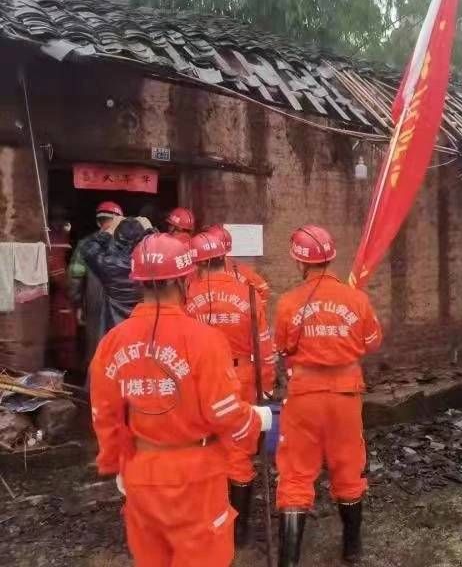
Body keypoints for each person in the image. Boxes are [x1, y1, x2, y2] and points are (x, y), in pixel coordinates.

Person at [89, 233, 273, 566]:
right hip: (196, 475)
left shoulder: (112, 343)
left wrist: (115, 462)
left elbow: (104, 413)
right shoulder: (204, 341)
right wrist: (258, 419)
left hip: (140, 472)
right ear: (184, 278)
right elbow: (223, 412)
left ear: (137, 282)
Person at [273, 225, 382, 566]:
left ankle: (289, 561)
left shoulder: (289, 303)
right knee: (349, 467)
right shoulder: (357, 299)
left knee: (294, 473)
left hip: (304, 395)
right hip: (346, 395)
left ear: (299, 262)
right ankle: (352, 550)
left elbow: (282, 346)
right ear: (331, 257)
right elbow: (371, 342)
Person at [185, 231, 277, 546]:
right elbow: (264, 346)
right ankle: (237, 533)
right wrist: (267, 385)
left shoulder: (186, 296)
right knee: (239, 451)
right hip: (242, 375)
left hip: (200, 379)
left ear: (196, 263)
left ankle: (207, 521)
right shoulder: (247, 292)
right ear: (224, 257)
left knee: (203, 446)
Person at [69, 201, 123, 370]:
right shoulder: (127, 245)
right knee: (120, 349)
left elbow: (75, 278)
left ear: (99, 221)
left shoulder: (85, 244)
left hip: (93, 304)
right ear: (118, 220)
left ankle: (93, 390)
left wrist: (78, 304)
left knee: (95, 348)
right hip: (121, 307)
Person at [82, 217, 151, 337]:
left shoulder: (109, 264)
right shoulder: (150, 263)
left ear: (117, 238)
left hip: (115, 328)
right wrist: (150, 230)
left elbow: (88, 248)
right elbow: (167, 248)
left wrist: (108, 232)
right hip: (143, 327)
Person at [205, 224, 271, 307]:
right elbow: (262, 288)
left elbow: (262, 288)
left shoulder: (240, 270)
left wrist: (254, 311)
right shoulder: (240, 269)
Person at [47, 207, 78, 374]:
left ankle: (66, 370)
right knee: (61, 335)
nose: (59, 222)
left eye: (62, 218)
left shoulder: (64, 236)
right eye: (55, 218)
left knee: (65, 336)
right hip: (58, 294)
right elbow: (57, 271)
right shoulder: (51, 238)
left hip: (63, 295)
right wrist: (72, 289)